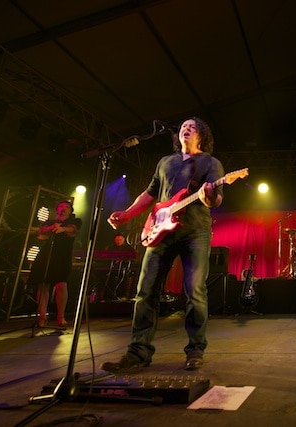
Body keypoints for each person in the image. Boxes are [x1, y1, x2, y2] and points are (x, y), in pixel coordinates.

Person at [101, 117, 224, 372]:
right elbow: (150, 194)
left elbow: (215, 201)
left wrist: (209, 196)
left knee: (195, 291)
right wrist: (127, 214)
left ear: (202, 135)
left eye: (192, 127)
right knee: (145, 291)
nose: (186, 129)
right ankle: (138, 353)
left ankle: (195, 350)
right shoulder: (166, 162)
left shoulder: (211, 163)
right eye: (183, 127)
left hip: (195, 232)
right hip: (160, 231)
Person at [27, 200, 82, 328]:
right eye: (61, 206)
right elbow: (41, 233)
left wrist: (62, 228)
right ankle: (42, 317)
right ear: (57, 209)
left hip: (62, 255)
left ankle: (60, 317)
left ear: (70, 210)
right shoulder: (50, 222)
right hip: (47, 254)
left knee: (61, 284)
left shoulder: (75, 221)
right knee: (43, 285)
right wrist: (51, 228)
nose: (64, 208)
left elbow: (73, 230)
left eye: (67, 207)